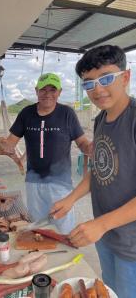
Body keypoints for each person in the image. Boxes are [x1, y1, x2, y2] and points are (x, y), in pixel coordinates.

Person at [50, 45, 136, 298]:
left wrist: (101, 224)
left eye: (106, 78)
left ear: (126, 77)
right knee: (109, 291)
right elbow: (98, 170)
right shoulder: (100, 120)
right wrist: (70, 199)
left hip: (131, 244)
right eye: (89, 83)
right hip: (106, 237)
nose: (97, 89)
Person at [0, 73, 91, 233]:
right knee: (37, 227)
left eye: (53, 90)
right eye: (43, 89)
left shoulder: (67, 113)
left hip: (61, 183)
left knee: (64, 228)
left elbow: (82, 143)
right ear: (36, 91)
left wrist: (90, 148)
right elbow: (10, 143)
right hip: (34, 182)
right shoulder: (26, 113)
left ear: (59, 92)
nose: (48, 94)